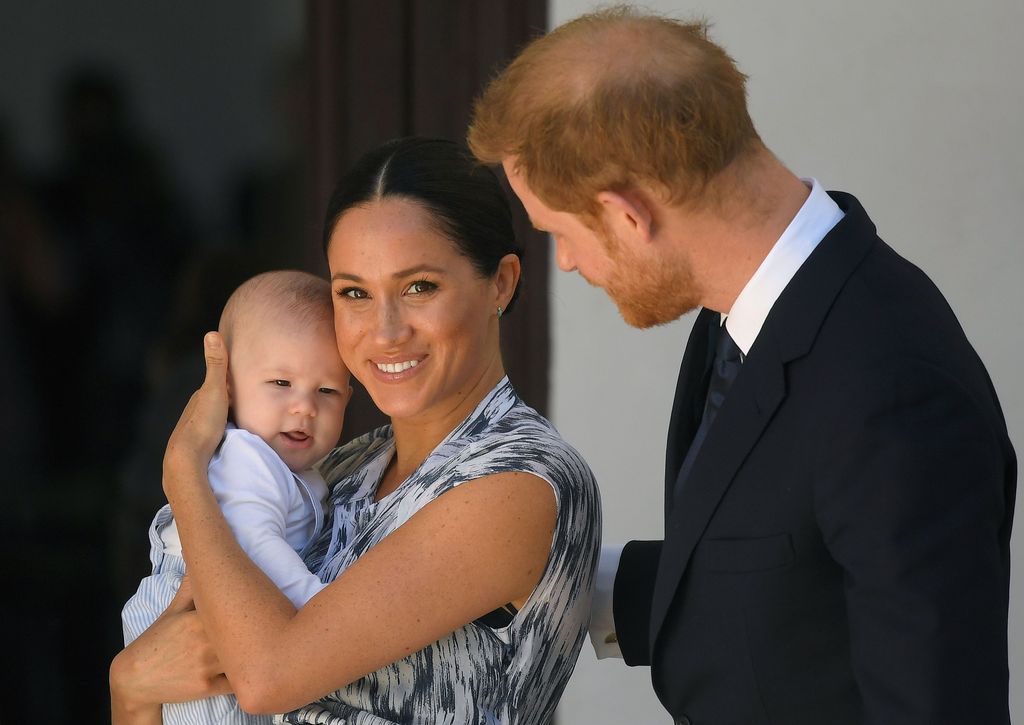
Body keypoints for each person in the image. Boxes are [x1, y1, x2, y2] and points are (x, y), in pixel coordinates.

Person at [468, 6, 1016, 725]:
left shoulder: (893, 388)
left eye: (559, 234)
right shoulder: (747, 309)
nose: (567, 262)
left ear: (628, 214)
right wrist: (535, 574)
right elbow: (780, 574)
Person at [109, 137, 602, 725]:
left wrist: (184, 472)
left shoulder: (518, 480)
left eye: (420, 286)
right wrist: (129, 687)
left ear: (501, 282)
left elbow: (266, 678)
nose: (386, 331)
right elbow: (180, 689)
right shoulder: (339, 470)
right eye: (354, 293)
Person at [120, 270, 350, 724]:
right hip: (192, 618)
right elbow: (256, 545)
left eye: (327, 391)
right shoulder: (247, 458)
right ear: (226, 388)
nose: (304, 406)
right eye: (281, 384)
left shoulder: (300, 471)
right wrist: (323, 616)